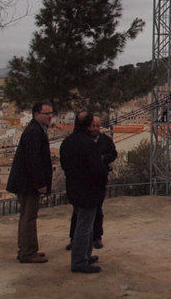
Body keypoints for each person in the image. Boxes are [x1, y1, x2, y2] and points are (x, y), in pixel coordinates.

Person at [60, 111, 108, 273]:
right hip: (89, 190)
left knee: (83, 224)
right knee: (85, 227)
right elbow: (97, 169)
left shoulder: (67, 142)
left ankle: (85, 255)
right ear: (88, 125)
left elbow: (65, 165)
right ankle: (80, 261)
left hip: (74, 188)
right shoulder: (89, 144)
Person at [6, 101, 54, 263]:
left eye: (51, 113)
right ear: (36, 114)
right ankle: (28, 253)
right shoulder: (34, 132)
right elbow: (34, 161)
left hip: (24, 182)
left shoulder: (35, 129)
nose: (50, 116)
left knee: (26, 216)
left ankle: (27, 249)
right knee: (29, 217)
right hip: (28, 183)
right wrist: (40, 183)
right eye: (46, 113)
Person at [66, 115, 117, 250]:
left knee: (97, 211)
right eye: (92, 126)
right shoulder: (84, 142)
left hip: (96, 183)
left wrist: (103, 159)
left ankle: (96, 237)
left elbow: (113, 154)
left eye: (97, 126)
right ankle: (76, 242)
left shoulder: (105, 140)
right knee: (79, 214)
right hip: (84, 184)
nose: (95, 128)